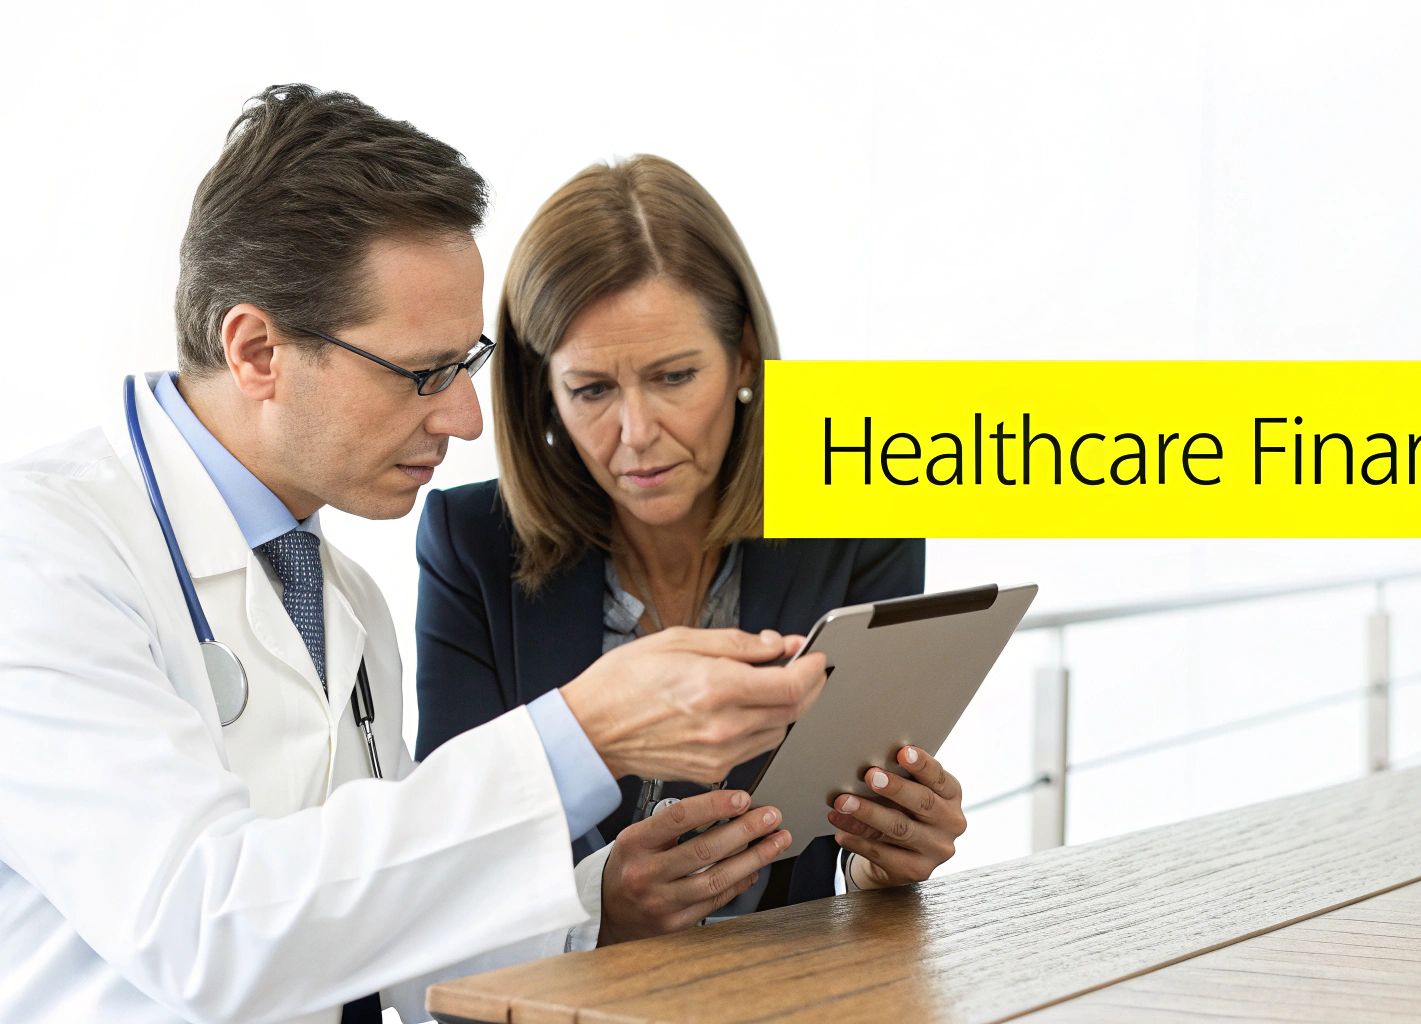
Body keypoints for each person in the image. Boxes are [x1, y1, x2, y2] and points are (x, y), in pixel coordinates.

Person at [0, 86, 827, 1024]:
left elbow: (380, 940)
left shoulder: (339, 597)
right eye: (424, 374)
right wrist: (581, 733)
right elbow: (206, 935)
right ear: (258, 350)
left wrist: (606, 906)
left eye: (465, 366)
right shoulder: (38, 556)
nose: (468, 418)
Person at [414, 156, 966, 940]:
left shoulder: (859, 521)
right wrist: (597, 910)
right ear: (543, 392)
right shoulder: (470, 545)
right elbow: (449, 858)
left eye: (674, 377)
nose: (637, 435)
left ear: (743, 357)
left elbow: (851, 838)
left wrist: (880, 863)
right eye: (592, 390)